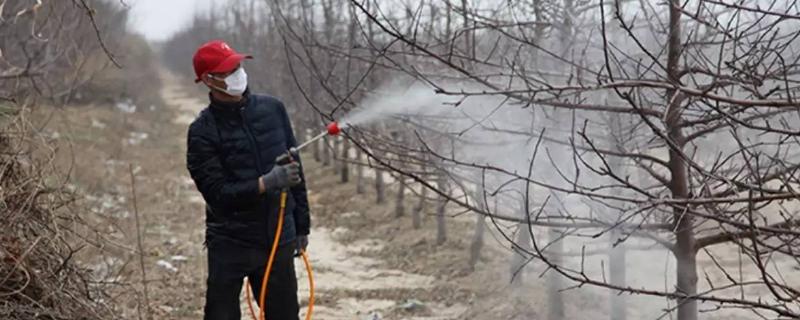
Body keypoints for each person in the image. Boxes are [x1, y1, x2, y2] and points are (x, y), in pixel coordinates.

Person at [186, 40, 310, 320]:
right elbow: (217, 194)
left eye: (237, 66)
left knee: (285, 314)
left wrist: (301, 225)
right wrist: (266, 182)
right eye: (228, 71)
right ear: (209, 80)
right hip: (231, 241)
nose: (237, 74)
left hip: (278, 236)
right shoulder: (202, 132)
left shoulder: (273, 109)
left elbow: (296, 171)